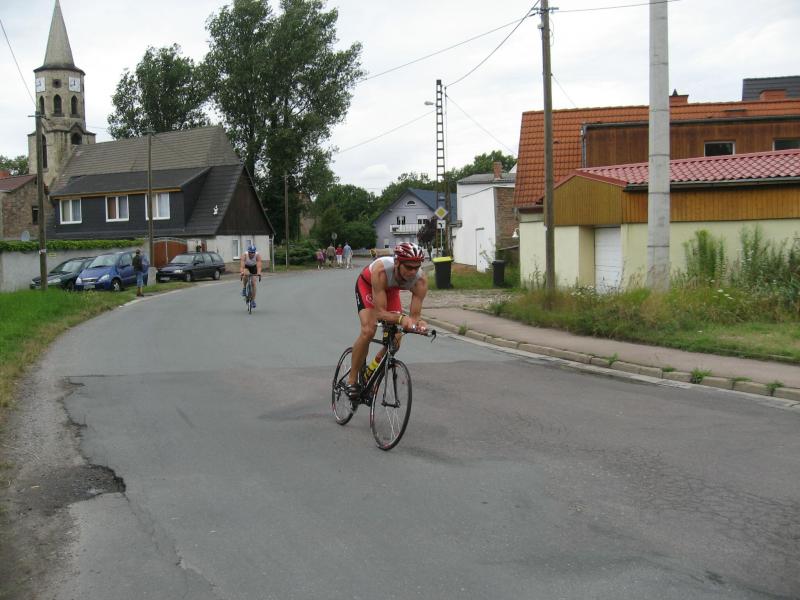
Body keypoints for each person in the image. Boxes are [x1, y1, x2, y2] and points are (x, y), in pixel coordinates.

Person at [344, 242, 428, 404]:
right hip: (368, 285)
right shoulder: (381, 271)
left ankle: (371, 371)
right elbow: (380, 313)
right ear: (397, 262)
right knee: (369, 330)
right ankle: (352, 380)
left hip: (390, 291)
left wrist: (419, 324)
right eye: (408, 267)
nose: (413, 272)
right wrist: (402, 319)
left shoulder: (420, 281)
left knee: (395, 340)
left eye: (416, 267)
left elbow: (414, 317)